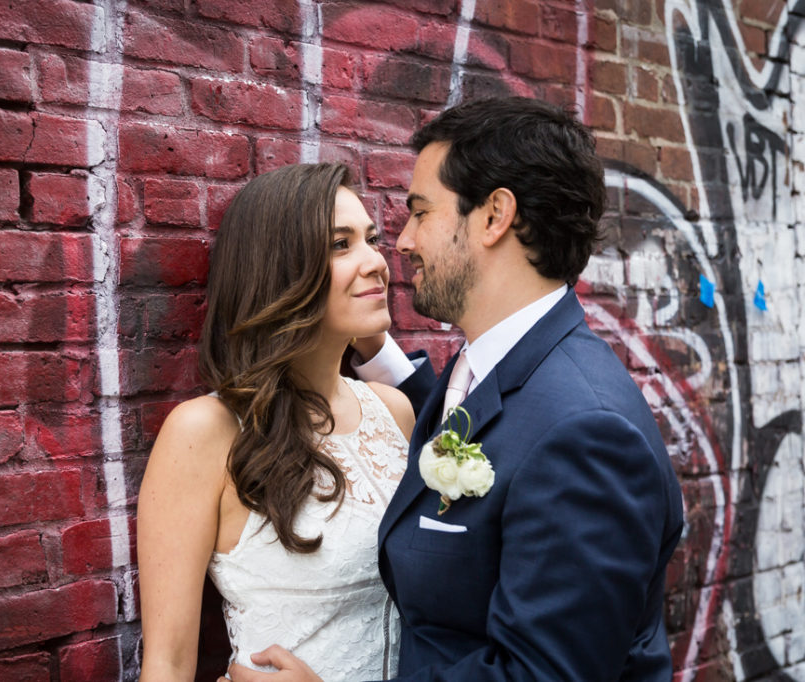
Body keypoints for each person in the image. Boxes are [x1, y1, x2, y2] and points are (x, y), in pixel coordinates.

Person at [227, 97, 685, 681]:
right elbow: (496, 435)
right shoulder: (491, 369)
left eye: (420, 212)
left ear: (494, 216)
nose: (402, 242)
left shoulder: (586, 432)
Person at [137, 163, 418, 681]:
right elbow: (167, 666)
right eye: (341, 245)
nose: (377, 262)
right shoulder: (205, 432)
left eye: (372, 239)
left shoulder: (394, 410)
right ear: (282, 270)